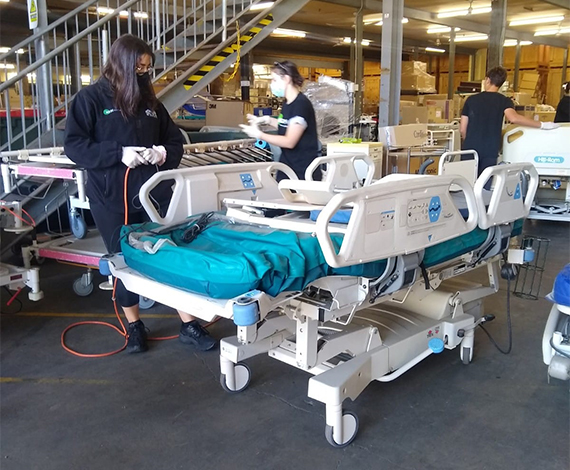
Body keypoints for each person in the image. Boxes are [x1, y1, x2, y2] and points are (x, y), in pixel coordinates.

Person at [64, 34, 216, 354]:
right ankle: (134, 325)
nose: (144, 74)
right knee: (124, 260)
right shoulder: (90, 100)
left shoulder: (150, 104)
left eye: (147, 68)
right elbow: (75, 146)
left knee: (168, 252)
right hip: (111, 198)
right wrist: (117, 154)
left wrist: (162, 153)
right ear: (121, 64)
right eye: (139, 68)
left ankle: (188, 323)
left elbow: (174, 141)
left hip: (153, 196)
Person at [460, 66, 560, 176]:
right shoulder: (504, 100)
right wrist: (542, 125)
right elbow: (514, 118)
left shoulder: (471, 100)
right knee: (485, 181)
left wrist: (469, 140)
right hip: (490, 148)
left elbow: (463, 129)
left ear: (487, 80)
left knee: (466, 181)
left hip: (470, 148)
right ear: (501, 83)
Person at [240, 61, 321, 180]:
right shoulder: (288, 103)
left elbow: (289, 141)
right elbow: (286, 125)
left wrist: (260, 135)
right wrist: (266, 120)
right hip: (288, 167)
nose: (272, 84)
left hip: (302, 171)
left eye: (274, 80)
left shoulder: (300, 105)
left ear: (287, 79)